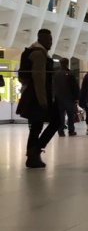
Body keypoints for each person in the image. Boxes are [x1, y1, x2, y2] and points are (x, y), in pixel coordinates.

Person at [16, 29, 60, 168]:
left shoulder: (31, 51)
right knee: (56, 121)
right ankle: (35, 151)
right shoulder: (39, 54)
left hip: (32, 95)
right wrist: (43, 100)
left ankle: (32, 157)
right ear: (41, 39)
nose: (50, 43)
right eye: (48, 40)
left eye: (51, 40)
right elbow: (39, 79)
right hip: (37, 96)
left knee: (36, 127)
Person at [53, 58, 80, 137]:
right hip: (69, 98)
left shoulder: (56, 74)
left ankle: (60, 131)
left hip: (59, 98)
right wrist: (76, 98)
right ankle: (71, 131)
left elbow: (53, 86)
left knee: (61, 115)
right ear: (67, 63)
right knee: (70, 115)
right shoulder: (70, 73)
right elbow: (75, 87)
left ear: (60, 64)